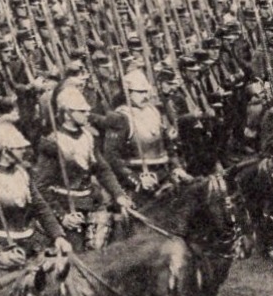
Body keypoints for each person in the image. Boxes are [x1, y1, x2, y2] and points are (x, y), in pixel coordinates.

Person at [0, 113, 72, 281]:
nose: (25, 150)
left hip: (31, 243)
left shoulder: (23, 174)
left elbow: (41, 208)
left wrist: (58, 235)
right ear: (4, 151)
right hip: (1, 246)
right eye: (19, 148)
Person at [34, 87, 130, 251]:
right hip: (67, 208)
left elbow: (102, 170)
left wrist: (119, 194)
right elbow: (41, 186)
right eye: (82, 111)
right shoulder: (53, 142)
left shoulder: (88, 136)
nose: (88, 114)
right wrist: (62, 216)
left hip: (91, 203)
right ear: (67, 113)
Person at [99, 68, 189, 197]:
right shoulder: (121, 118)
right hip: (137, 180)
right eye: (140, 93)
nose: (145, 96)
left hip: (163, 175)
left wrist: (176, 166)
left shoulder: (153, 111)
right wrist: (136, 178)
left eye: (146, 92)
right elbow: (112, 157)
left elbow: (167, 144)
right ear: (128, 93)